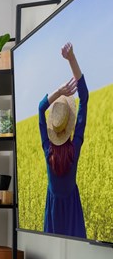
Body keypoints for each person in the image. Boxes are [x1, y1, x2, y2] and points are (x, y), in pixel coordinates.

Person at [38, 42, 88, 238]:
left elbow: (40, 108)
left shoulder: (47, 150)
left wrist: (58, 92)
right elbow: (84, 97)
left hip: (53, 214)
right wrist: (71, 59)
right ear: (70, 126)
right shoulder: (74, 149)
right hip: (72, 213)